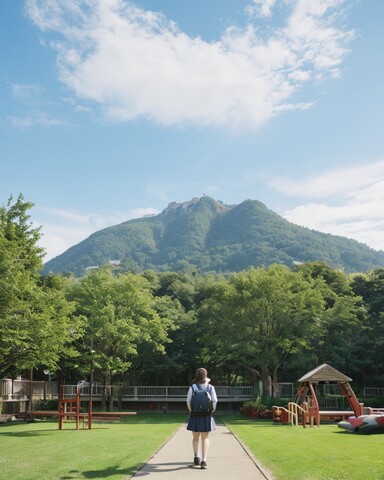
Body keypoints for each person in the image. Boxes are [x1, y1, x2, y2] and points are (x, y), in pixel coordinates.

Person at [186, 367, 218, 469]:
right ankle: (204, 460)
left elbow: (188, 401)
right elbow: (214, 401)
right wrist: (210, 412)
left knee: (195, 438)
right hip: (206, 416)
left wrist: (192, 411)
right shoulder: (210, 387)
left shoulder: (193, 387)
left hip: (195, 415)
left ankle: (196, 456)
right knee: (205, 438)